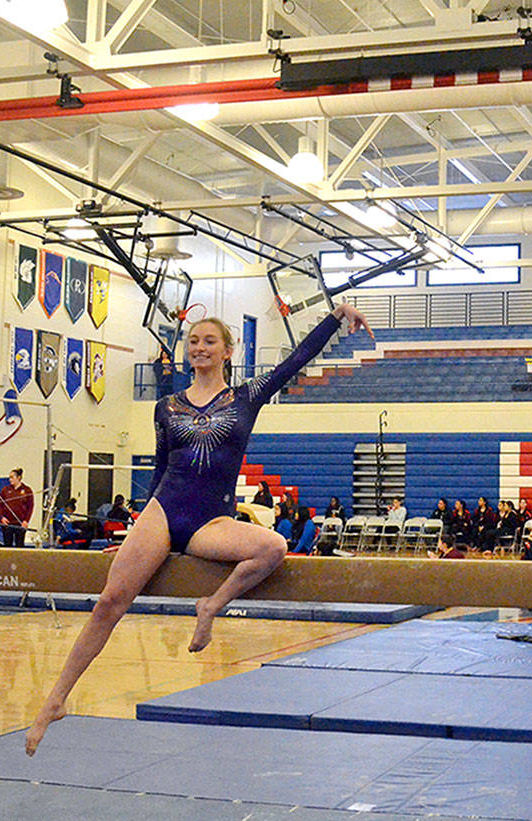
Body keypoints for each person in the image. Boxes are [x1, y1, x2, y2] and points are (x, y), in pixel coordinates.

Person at [27, 304, 371, 755]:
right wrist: (137, 534)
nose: (199, 348)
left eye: (209, 341)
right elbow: (159, 469)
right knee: (111, 601)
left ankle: (211, 606)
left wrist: (334, 317)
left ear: (228, 351)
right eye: (193, 341)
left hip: (212, 519)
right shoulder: (166, 406)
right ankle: (55, 699)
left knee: (272, 546)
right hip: (163, 511)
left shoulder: (247, 397)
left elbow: (294, 362)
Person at [0, 468, 34, 548]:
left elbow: (30, 507)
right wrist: (2, 517)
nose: (10, 479)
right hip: (7, 523)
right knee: (7, 545)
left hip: (20, 523)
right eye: (9, 477)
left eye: (12, 477)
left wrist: (26, 521)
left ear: (18, 478)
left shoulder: (27, 490)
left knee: (20, 545)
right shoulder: (5, 490)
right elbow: (0, 505)